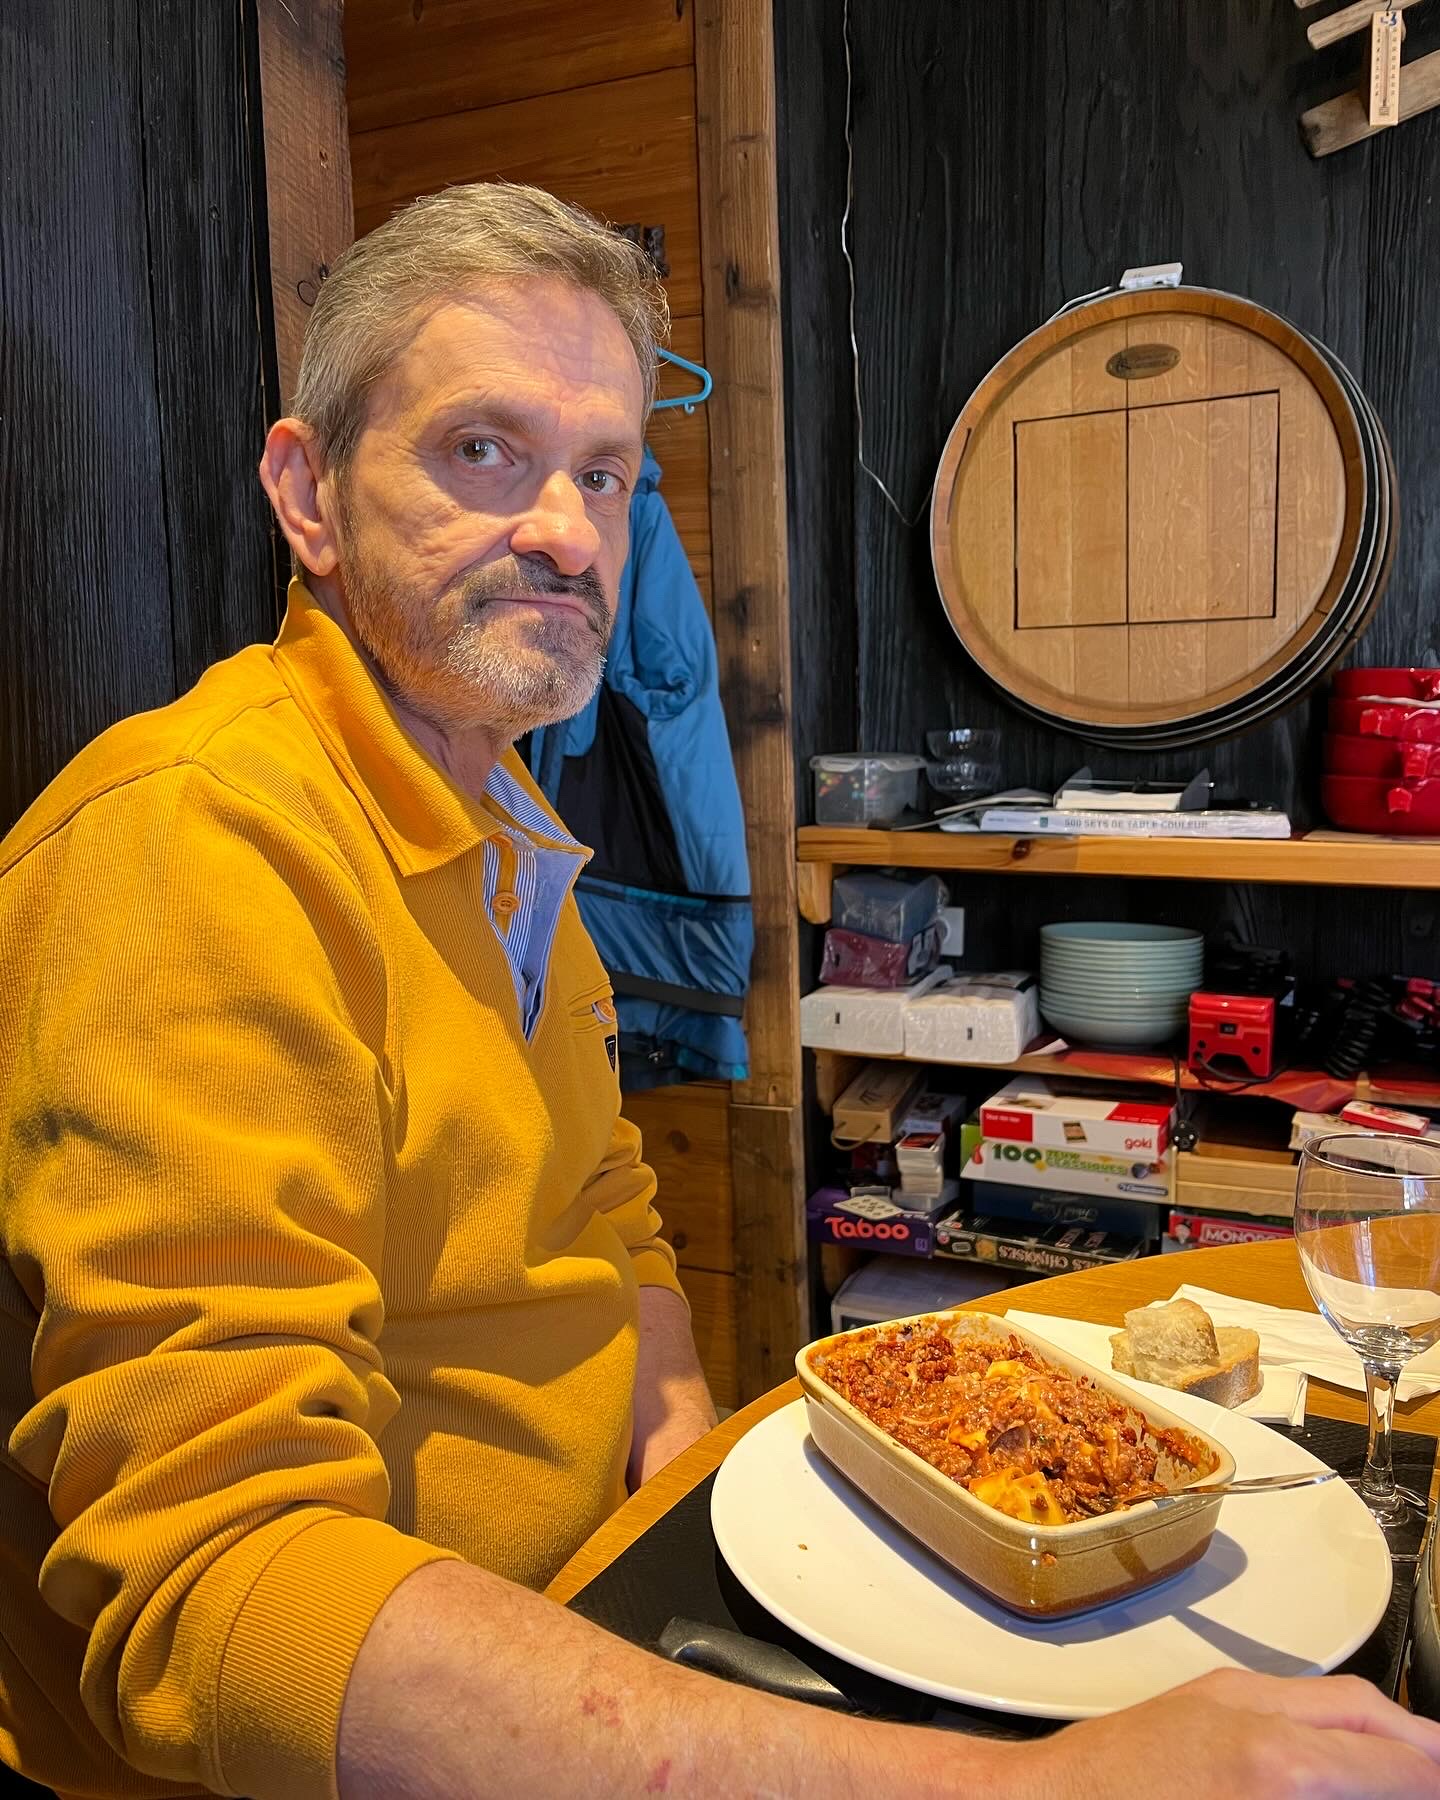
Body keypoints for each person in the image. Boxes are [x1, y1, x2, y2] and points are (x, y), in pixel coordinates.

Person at [0, 182, 1436, 1800]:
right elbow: (224, 1601)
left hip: (598, 1611)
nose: (569, 531)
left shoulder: (501, 810)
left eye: (605, 472)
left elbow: (601, 1200)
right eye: (483, 449)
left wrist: (679, 1437)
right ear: (308, 493)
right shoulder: (197, 844)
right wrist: (1030, 1793)